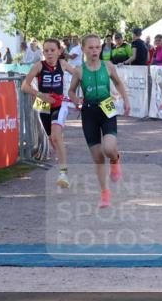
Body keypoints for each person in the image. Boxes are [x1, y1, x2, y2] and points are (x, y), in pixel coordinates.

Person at [68, 34, 131, 208]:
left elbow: (118, 83)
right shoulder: (79, 70)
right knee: (97, 157)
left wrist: (126, 100)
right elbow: (71, 91)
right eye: (91, 47)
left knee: (109, 148)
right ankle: (105, 193)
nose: (95, 50)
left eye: (97, 47)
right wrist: (75, 100)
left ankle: (115, 158)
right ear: (83, 50)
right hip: (89, 113)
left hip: (107, 108)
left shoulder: (108, 66)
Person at [21, 38, 78, 189]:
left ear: (59, 51)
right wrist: (40, 95)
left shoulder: (63, 64)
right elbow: (24, 86)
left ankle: (63, 173)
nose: (49, 53)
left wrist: (76, 92)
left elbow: (79, 75)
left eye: (53, 50)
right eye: (46, 50)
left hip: (59, 104)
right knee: (52, 139)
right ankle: (62, 165)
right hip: (44, 105)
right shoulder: (38, 66)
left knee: (56, 135)